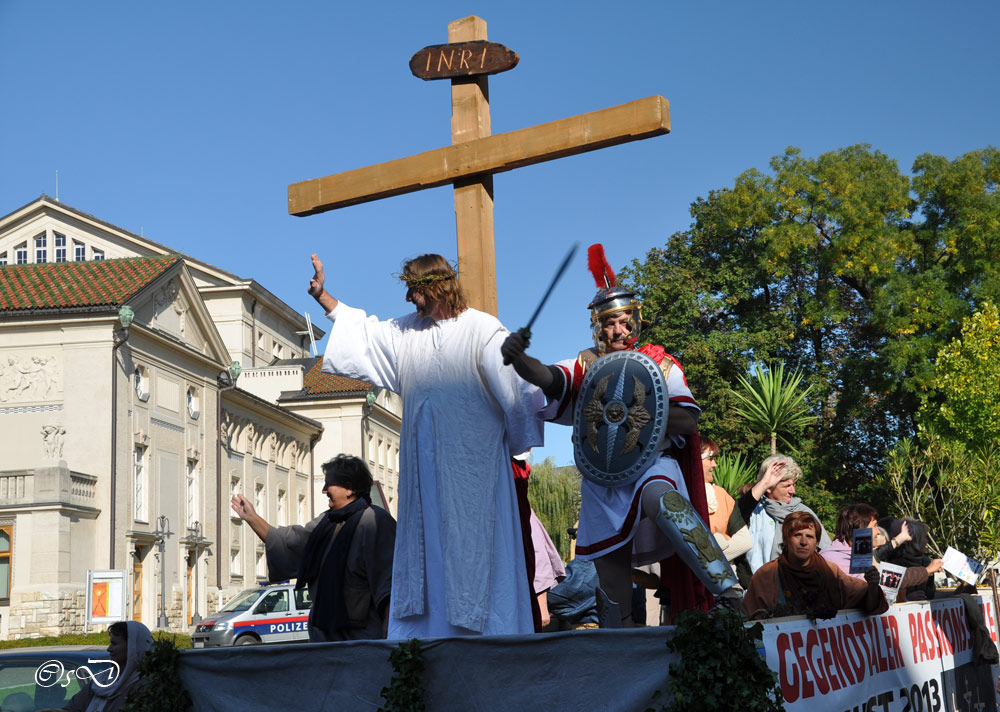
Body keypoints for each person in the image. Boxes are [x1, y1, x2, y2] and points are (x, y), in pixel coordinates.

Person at [501, 244, 740, 625]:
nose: (619, 329)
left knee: (664, 499)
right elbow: (548, 378)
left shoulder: (660, 364)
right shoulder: (584, 364)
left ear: (636, 322)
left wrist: (638, 416)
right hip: (603, 480)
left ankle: (728, 591)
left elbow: (688, 421)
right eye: (611, 322)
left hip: (650, 463)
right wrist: (519, 359)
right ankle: (621, 648)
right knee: (611, 585)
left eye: (626, 321)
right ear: (598, 327)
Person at [309, 254, 543, 637]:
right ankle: (428, 640)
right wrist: (325, 299)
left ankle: (489, 640)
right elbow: (366, 335)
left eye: (413, 291)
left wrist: (513, 450)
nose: (407, 299)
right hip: (423, 474)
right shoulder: (407, 333)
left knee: (475, 547)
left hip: (473, 472)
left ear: (434, 287)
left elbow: (515, 395)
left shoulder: (483, 330)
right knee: (427, 550)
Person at [232, 454, 395, 641]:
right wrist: (252, 517)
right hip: (324, 637)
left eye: (329, 484)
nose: (324, 491)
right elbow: (290, 543)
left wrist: (389, 635)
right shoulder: (326, 522)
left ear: (349, 488)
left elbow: (390, 586)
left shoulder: (375, 522)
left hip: (361, 639)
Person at [742, 511, 888, 620]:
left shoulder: (830, 570)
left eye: (810, 536)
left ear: (816, 542)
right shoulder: (766, 575)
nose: (804, 542)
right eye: (797, 535)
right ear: (786, 540)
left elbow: (862, 598)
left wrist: (873, 586)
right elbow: (753, 622)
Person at [735, 454, 832, 573]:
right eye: (787, 486)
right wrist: (764, 483)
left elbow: (825, 551)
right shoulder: (755, 510)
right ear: (769, 488)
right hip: (753, 586)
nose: (793, 491)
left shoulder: (803, 513)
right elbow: (736, 515)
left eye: (793, 485)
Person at [62, 621, 153, 712]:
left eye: (114, 644)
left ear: (132, 648)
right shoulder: (101, 681)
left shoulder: (144, 688)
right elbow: (73, 707)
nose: (109, 649)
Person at [701, 437, 751, 563]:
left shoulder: (721, 495)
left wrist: (706, 563)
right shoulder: (679, 493)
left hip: (721, 578)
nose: (715, 465)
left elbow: (745, 542)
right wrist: (722, 539)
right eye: (710, 459)